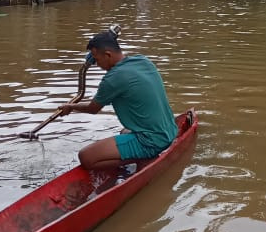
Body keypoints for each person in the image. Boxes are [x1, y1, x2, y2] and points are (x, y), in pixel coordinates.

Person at [57, 31, 178, 170]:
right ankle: (143, 151)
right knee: (124, 131)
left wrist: (71, 107)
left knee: (86, 157)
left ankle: (145, 158)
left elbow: (93, 108)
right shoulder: (142, 60)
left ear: (108, 55)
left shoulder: (112, 79)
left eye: (97, 59)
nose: (97, 64)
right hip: (169, 130)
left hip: (151, 141)